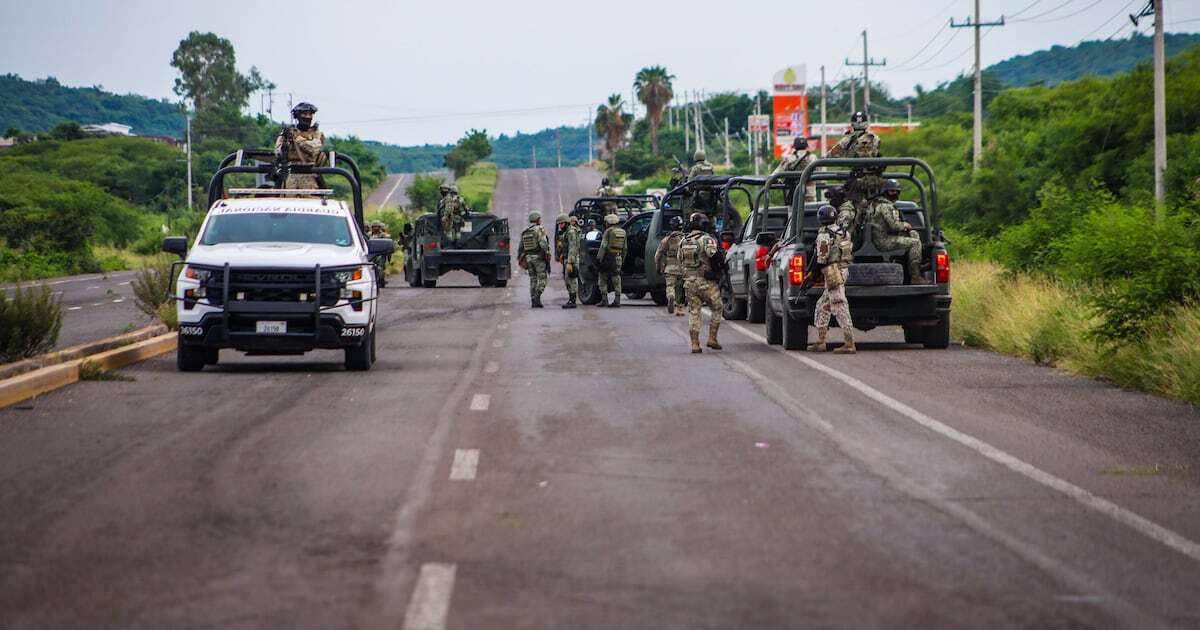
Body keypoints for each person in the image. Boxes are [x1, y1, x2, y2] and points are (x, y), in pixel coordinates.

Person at [807, 205, 856, 354]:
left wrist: (812, 273)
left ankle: (849, 343)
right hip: (843, 270)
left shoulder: (823, 236)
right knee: (822, 305)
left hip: (832, 272)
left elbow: (822, 258)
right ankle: (821, 341)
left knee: (839, 305)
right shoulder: (844, 232)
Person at [677, 212, 724, 353]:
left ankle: (695, 344)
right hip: (706, 282)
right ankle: (712, 338)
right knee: (717, 307)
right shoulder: (706, 239)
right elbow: (713, 255)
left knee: (694, 312)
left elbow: (680, 261)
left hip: (689, 283)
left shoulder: (683, 241)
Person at [867, 179, 927, 284]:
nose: (894, 193)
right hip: (883, 241)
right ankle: (915, 276)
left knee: (913, 234)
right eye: (891, 191)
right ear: (885, 192)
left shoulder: (878, 204)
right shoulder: (885, 206)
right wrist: (905, 225)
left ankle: (916, 265)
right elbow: (894, 226)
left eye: (896, 191)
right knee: (915, 242)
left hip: (882, 237)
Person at [274, 102, 327, 190]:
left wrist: (297, 139)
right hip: (290, 175)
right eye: (304, 114)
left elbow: (314, 149)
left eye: (310, 114)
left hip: (310, 175)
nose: (307, 117)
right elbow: (278, 152)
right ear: (297, 116)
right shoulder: (288, 132)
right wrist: (286, 142)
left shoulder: (316, 133)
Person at [654, 216, 687, 316]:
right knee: (681, 288)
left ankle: (671, 295)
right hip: (683, 268)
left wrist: (658, 267)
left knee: (670, 286)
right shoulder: (686, 239)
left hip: (670, 268)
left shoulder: (666, 239)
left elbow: (658, 255)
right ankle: (680, 308)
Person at [517, 211, 551, 307]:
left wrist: (520, 258)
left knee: (533, 279)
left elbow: (521, 247)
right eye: (540, 219)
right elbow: (543, 243)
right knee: (542, 279)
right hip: (538, 258)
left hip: (528, 258)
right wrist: (547, 253)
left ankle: (534, 301)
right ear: (537, 220)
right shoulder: (539, 229)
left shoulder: (525, 231)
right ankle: (536, 297)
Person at [773, 136, 818, 202]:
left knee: (792, 211)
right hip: (810, 196)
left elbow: (775, 174)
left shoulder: (788, 159)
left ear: (795, 147)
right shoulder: (814, 158)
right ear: (806, 146)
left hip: (794, 196)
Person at [596, 213, 626, 308]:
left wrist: (599, 258)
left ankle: (604, 299)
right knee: (616, 278)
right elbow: (625, 248)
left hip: (608, 258)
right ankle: (617, 300)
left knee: (602, 277)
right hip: (618, 257)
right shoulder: (623, 232)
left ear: (608, 223)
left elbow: (603, 246)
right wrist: (622, 259)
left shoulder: (608, 231)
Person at [556, 214, 582, 309]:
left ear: (566, 222)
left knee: (572, 279)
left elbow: (573, 247)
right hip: (567, 258)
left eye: (562, 223)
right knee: (568, 280)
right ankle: (571, 299)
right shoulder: (565, 232)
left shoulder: (571, 232)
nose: (560, 225)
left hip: (572, 259)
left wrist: (570, 262)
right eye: (559, 224)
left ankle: (572, 300)